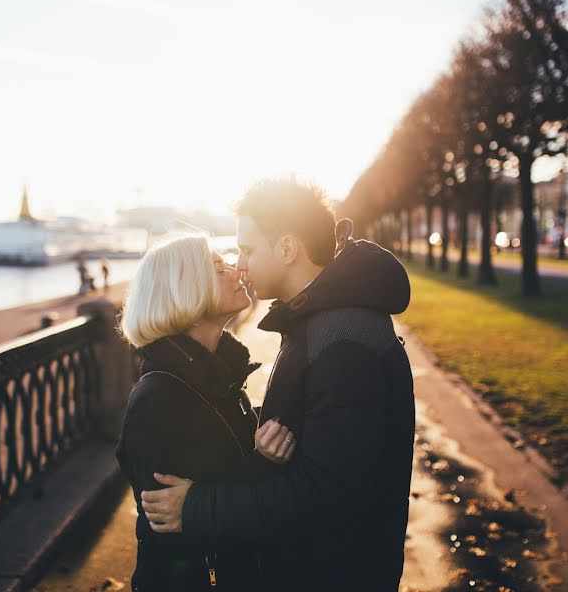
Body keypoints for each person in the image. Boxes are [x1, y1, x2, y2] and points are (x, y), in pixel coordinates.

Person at [140, 177, 415, 591]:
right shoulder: (323, 323)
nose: (240, 263)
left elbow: (328, 494)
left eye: (247, 249)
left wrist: (197, 509)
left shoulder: (342, 342)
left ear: (286, 248)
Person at [116, 233, 299, 592]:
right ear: (184, 288)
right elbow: (171, 520)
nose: (236, 272)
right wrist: (264, 460)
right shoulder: (160, 397)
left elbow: (217, 464)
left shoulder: (215, 373)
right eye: (219, 268)